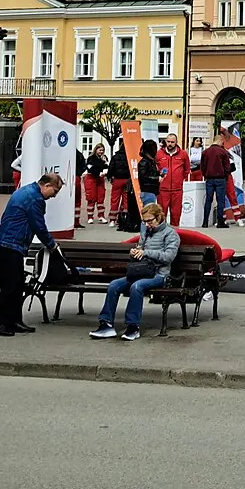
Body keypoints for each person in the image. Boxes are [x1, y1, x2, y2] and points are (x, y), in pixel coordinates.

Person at [89, 201, 179, 343]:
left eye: (150, 221)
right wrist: (135, 252)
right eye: (144, 221)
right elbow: (141, 249)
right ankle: (106, 324)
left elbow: (169, 257)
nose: (147, 224)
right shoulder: (146, 232)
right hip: (141, 272)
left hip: (160, 275)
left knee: (137, 287)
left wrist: (146, 252)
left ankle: (133, 326)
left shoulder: (171, 234)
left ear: (159, 217)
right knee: (114, 285)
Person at [0, 171, 62, 337]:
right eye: (55, 191)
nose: (54, 196)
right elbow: (39, 226)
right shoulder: (35, 199)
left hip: (7, 242)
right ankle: (1, 323)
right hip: (11, 244)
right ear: (47, 185)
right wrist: (52, 245)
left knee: (16, 284)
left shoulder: (26, 190)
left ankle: (14, 321)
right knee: (11, 285)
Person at [200, 137, 233, 228]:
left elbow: (202, 166)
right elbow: (227, 167)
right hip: (220, 179)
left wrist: (206, 176)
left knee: (208, 200)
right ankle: (220, 222)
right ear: (220, 141)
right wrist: (225, 176)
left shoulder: (205, 152)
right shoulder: (223, 152)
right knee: (220, 200)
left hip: (209, 179)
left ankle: (205, 222)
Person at [157, 135, 189, 226]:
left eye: (172, 142)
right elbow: (155, 168)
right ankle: (161, 234)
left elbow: (187, 170)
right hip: (163, 189)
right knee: (161, 214)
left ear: (176, 142)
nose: (170, 144)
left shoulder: (183, 154)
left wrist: (179, 180)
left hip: (177, 189)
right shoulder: (159, 154)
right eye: (168, 141)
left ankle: (174, 234)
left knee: (176, 213)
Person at [108, 139, 136, 225]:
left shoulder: (115, 157)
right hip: (127, 180)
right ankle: (124, 218)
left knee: (115, 199)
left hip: (117, 179)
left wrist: (109, 177)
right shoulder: (130, 156)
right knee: (126, 200)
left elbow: (111, 167)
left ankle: (112, 219)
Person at [136, 140, 162, 207]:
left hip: (152, 191)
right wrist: (157, 178)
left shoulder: (151, 161)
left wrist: (159, 173)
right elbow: (143, 177)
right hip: (147, 191)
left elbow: (151, 173)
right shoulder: (144, 162)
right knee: (149, 213)